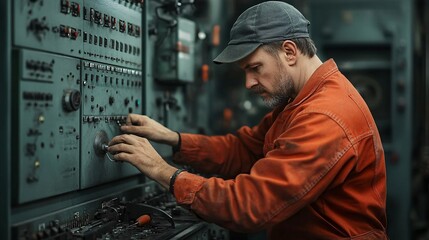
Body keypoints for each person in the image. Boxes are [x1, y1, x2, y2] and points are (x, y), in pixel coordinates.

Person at [108, 1, 388, 239]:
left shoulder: (324, 115)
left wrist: (161, 170)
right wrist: (174, 139)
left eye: (255, 68)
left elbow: (251, 204)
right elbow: (244, 149)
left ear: (289, 52)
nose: (249, 82)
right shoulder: (300, 100)